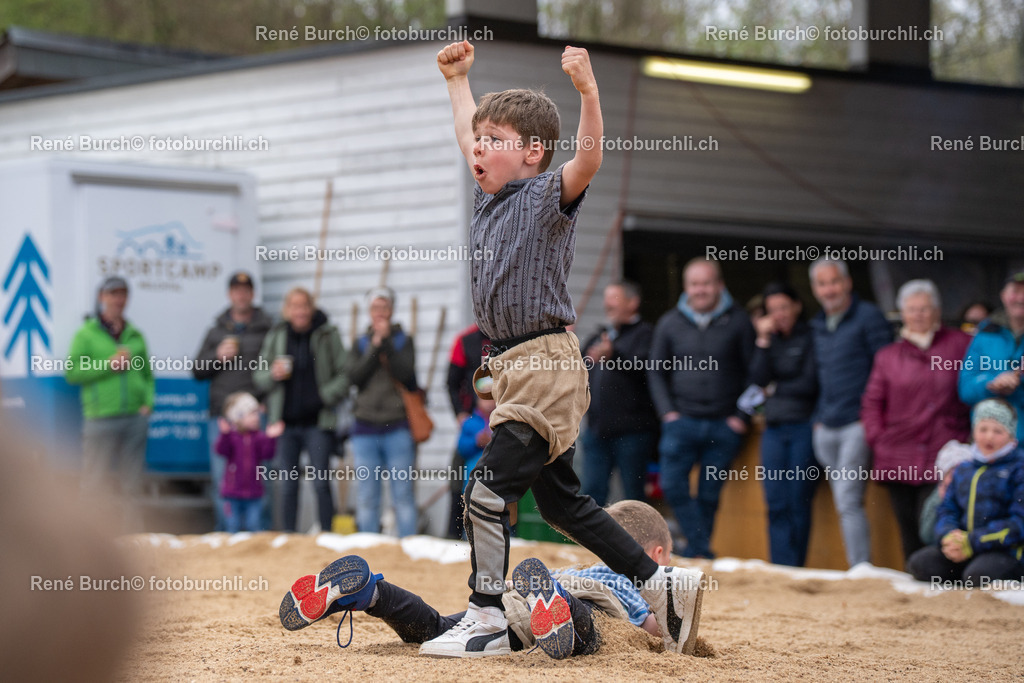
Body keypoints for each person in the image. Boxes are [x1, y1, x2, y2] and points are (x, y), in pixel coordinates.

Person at [426, 39, 703, 658]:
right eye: (477, 139)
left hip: (547, 364)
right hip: (516, 367)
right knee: (564, 506)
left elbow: (591, 158)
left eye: (492, 139)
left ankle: (487, 614)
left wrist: (587, 92)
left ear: (531, 153)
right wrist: (458, 81)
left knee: (487, 492)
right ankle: (661, 586)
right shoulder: (487, 198)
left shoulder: (548, 195)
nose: (477, 146)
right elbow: (465, 130)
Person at [279, 500, 698, 659]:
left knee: (436, 628)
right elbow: (652, 627)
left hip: (510, 601)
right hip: (575, 602)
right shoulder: (631, 578)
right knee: (593, 635)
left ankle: (371, 592)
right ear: (657, 555)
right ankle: (556, 608)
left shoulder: (582, 566)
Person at [648, 258, 755, 559]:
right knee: (671, 485)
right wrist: (667, 412)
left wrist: (742, 416)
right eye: (695, 284)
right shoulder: (670, 322)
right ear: (686, 287)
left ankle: (697, 551)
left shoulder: (738, 321)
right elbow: (656, 371)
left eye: (706, 283)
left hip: (724, 425)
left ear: (719, 285)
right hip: (681, 422)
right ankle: (701, 548)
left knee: (709, 493)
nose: (701, 290)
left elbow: (756, 374)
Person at [861, 279, 971, 561]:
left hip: (942, 453)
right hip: (897, 453)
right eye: (912, 309)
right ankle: (914, 584)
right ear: (902, 313)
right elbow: (872, 402)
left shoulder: (961, 345)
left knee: (934, 524)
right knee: (907, 528)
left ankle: (937, 583)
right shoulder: (888, 356)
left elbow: (973, 392)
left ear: (936, 311)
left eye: (924, 308)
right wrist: (879, 439)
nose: (918, 315)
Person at [808, 258, 892, 568]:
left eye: (834, 282)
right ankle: (858, 566)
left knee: (847, 499)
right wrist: (817, 420)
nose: (829, 289)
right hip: (825, 426)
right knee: (843, 499)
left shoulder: (869, 318)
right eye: (822, 284)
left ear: (847, 283)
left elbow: (886, 371)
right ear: (815, 289)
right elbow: (817, 376)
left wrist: (873, 418)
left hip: (857, 423)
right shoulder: (817, 325)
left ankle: (861, 568)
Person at [253, 287, 348, 532]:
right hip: (285, 423)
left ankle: (327, 533)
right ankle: (289, 536)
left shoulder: (327, 334)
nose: (300, 311)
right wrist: (272, 374)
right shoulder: (277, 335)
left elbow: (345, 374)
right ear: (287, 310)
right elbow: (259, 377)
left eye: (304, 305)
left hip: (318, 422)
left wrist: (324, 395)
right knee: (288, 484)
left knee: (320, 482)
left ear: (311, 308)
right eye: (294, 306)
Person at [906, 399, 1024, 585]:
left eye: (998, 431)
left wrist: (973, 541)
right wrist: (949, 536)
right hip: (963, 547)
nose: (989, 437)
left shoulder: (1018, 468)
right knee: (920, 563)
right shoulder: (964, 468)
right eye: (983, 429)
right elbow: (946, 509)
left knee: (978, 575)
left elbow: (1019, 523)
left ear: (1011, 436)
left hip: (1003, 550)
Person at [66, 276, 154, 522]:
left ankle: (134, 542)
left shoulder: (135, 335)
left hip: (134, 417)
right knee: (94, 484)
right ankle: (90, 547)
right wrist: (108, 364)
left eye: (122, 294)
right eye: (113, 294)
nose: (118, 299)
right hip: (100, 417)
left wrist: (148, 403)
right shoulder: (86, 334)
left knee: (133, 486)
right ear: (101, 297)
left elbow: (147, 375)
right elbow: (72, 373)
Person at [193, 271, 273, 531]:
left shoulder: (268, 328)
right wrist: (217, 357)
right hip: (223, 418)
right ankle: (226, 534)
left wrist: (265, 401)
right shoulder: (216, 331)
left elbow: (275, 370)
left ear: (253, 294)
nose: (241, 295)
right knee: (223, 479)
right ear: (230, 295)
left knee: (260, 479)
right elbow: (197, 371)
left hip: (255, 416)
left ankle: (259, 535)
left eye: (246, 290)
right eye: (236, 290)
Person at [749, 282, 818, 567]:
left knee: (798, 500)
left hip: (803, 426)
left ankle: (797, 566)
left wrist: (776, 389)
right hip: (774, 429)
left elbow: (809, 383)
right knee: (775, 502)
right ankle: (781, 566)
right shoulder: (770, 340)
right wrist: (763, 340)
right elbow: (757, 378)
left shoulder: (811, 335)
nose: (779, 314)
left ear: (797, 306)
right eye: (772, 310)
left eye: (784, 307)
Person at [347, 287, 419, 538]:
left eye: (384, 307)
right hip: (364, 427)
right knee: (367, 495)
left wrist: (386, 344)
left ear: (391, 310)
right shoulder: (360, 342)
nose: (380, 313)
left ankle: (409, 545)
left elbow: (408, 377)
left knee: (402, 494)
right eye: (375, 308)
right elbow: (355, 378)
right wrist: (374, 348)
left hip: (397, 426)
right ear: (369, 311)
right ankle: (369, 547)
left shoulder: (403, 340)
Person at [580, 281, 659, 506]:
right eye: (606, 298)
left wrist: (614, 355)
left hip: (633, 433)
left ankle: (637, 542)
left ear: (632, 302)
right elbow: (577, 368)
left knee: (633, 498)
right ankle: (591, 542)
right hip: (596, 431)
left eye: (614, 298)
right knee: (592, 495)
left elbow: (647, 371)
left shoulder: (647, 335)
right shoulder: (599, 336)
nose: (607, 304)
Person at [959, 272, 1024, 441]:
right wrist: (991, 383)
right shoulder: (986, 334)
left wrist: (1018, 385)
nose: (1021, 298)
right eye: (1015, 291)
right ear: (1003, 296)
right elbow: (965, 389)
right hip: (990, 444)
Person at [445, 323, 490, 538]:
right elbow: (451, 382)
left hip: (503, 421)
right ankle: (452, 536)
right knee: (457, 478)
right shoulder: (465, 340)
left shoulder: (513, 338)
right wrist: (460, 413)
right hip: (473, 418)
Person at [214, 392, 277, 533]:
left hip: (254, 493)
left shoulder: (259, 437)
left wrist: (271, 438)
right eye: (252, 414)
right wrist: (224, 434)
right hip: (232, 492)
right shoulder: (231, 437)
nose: (257, 418)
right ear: (238, 417)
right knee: (232, 526)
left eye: (257, 414)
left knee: (254, 525)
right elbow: (220, 450)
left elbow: (268, 454)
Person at [918, 439, 973, 547]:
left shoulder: (978, 491)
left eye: (961, 473)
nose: (956, 479)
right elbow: (926, 535)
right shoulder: (938, 495)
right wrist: (940, 500)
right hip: (947, 544)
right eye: (951, 473)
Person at [456, 396, 495, 499]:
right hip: (473, 473)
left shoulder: (501, 423)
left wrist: (493, 441)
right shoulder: (469, 422)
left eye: (492, 398)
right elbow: (462, 448)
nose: (489, 402)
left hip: (497, 475)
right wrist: (476, 441)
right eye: (485, 398)